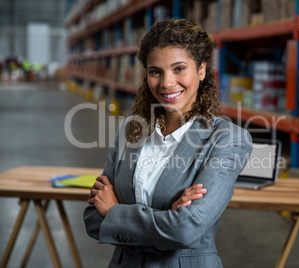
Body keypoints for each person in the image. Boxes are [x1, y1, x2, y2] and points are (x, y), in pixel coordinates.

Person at [83, 19, 252, 267]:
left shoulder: (227, 139)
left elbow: (185, 230)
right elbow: (92, 219)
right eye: (155, 71)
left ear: (202, 70)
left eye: (179, 68)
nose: (166, 83)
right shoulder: (131, 130)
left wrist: (114, 212)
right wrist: (166, 218)